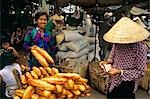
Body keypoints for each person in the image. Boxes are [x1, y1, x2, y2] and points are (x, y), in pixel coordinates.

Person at [99, 17, 149, 99]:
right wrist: (106, 63)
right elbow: (111, 58)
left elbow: (140, 72)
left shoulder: (140, 48)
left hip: (127, 84)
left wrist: (120, 72)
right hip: (113, 81)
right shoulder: (117, 42)